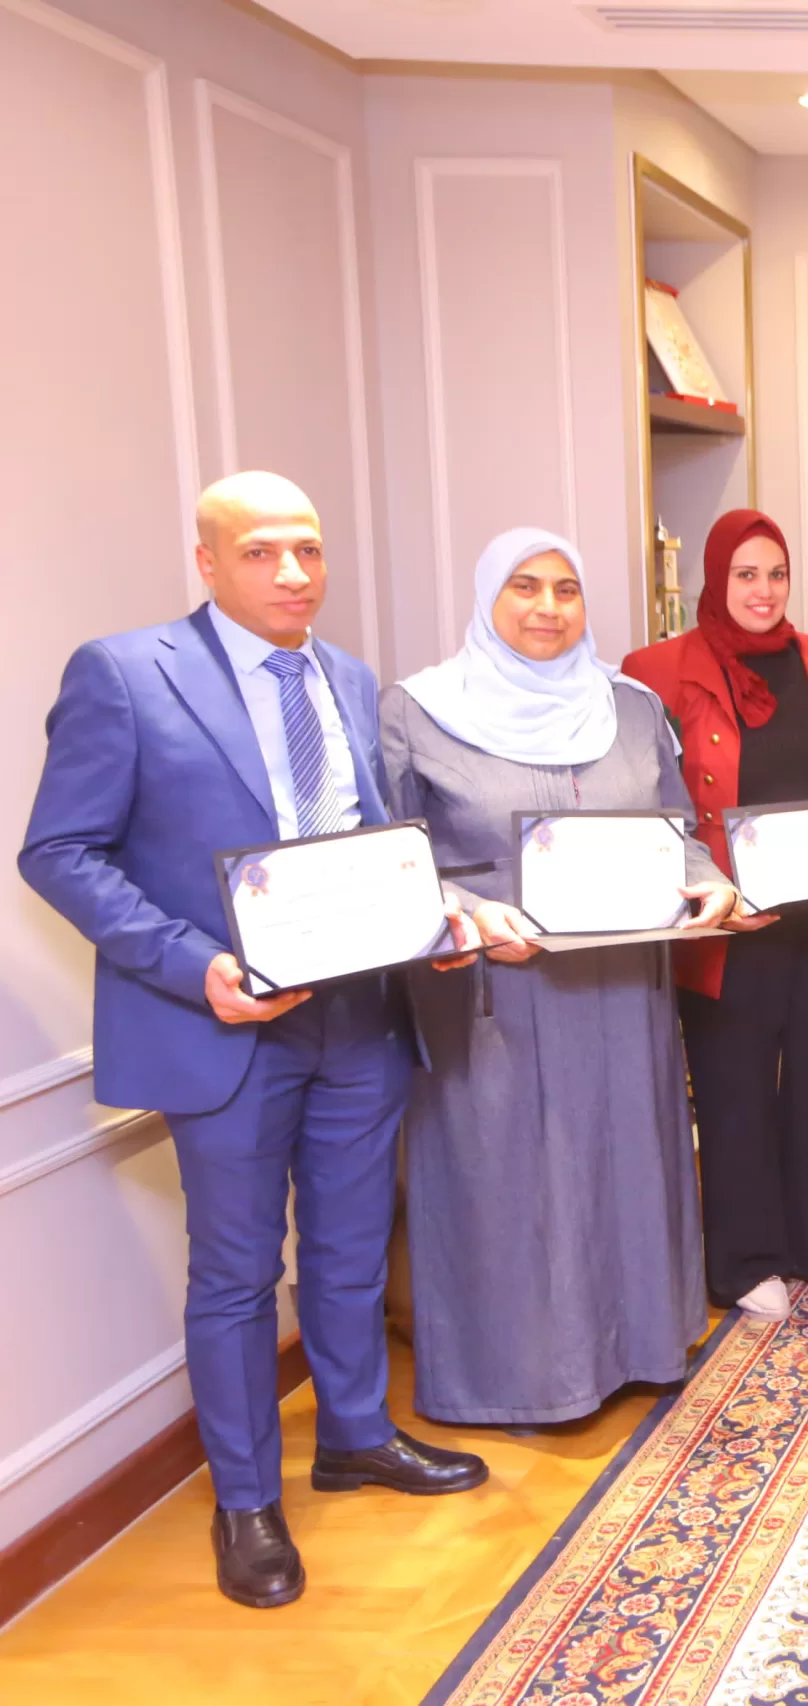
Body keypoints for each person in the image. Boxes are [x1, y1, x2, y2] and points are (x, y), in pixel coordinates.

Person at [19, 472, 487, 1609]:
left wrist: (433, 918)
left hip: (357, 1018)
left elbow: (370, 844)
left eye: (309, 551)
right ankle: (245, 1500)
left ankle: (356, 1435)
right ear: (208, 561)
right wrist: (195, 966)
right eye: (263, 552)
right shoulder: (125, 674)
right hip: (221, 1026)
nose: (293, 573)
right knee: (236, 1272)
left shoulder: (349, 677)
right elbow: (59, 850)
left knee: (349, 1246)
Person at [383, 528, 737, 1426]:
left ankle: (640, 1347)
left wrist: (707, 878)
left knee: (623, 1165)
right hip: (496, 993)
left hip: (623, 992)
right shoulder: (417, 711)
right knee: (514, 1183)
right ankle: (513, 1378)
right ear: (486, 597)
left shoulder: (630, 707)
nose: (548, 607)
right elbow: (392, 860)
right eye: (525, 587)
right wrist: (465, 910)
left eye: (566, 589)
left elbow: (677, 827)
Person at [623, 510, 808, 1319]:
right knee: (735, 1092)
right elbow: (652, 802)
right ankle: (744, 1259)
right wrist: (706, 887)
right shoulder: (657, 670)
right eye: (745, 574)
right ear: (717, 578)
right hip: (729, 925)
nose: (764, 590)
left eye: (776, 574)